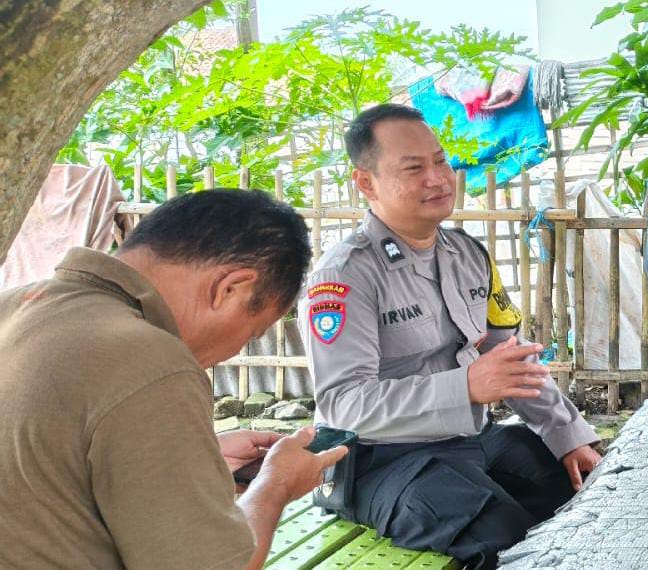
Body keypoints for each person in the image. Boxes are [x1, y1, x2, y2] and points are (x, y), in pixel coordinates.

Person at [304, 104, 601, 568]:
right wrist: (465, 386)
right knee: (505, 538)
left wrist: (569, 435)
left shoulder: (467, 254)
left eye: (440, 161)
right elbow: (344, 407)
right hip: (380, 463)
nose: (437, 178)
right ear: (366, 182)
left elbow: (508, 358)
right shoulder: (345, 276)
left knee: (587, 491)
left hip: (468, 439)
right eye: (413, 168)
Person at [0, 189, 347, 568]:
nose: (233, 351)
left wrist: (197, 456)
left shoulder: (15, 306)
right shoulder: (150, 360)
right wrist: (275, 485)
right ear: (230, 288)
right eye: (252, 332)